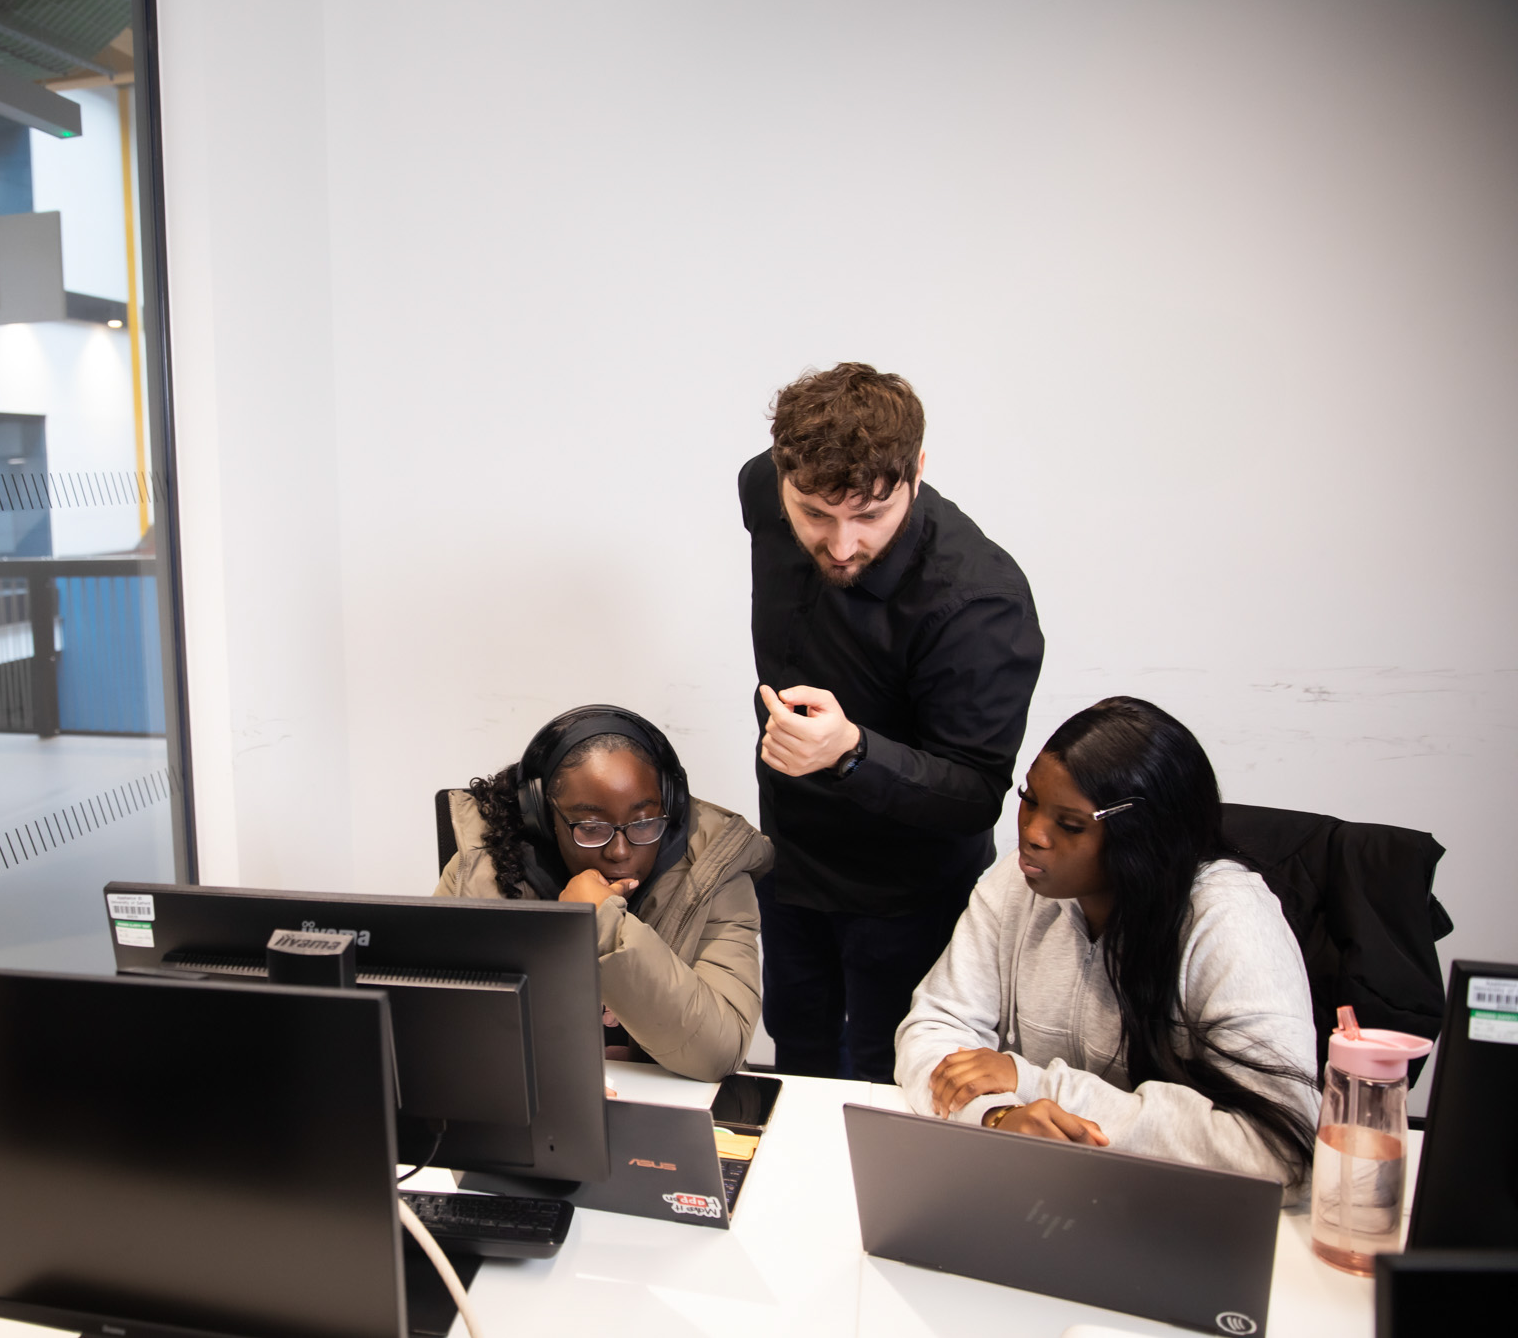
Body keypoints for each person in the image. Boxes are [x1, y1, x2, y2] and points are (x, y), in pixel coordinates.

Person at [741, 362, 1043, 1081]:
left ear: (917, 472)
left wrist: (850, 752)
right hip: (793, 863)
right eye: (814, 513)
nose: (840, 544)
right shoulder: (763, 485)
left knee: (890, 1079)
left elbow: (975, 792)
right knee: (796, 1061)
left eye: (869, 516)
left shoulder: (979, 601)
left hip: (908, 897)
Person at [894, 697, 1319, 1186]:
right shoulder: (1016, 882)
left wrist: (1034, 1084)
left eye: (1070, 824)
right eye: (1029, 800)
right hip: (1039, 1190)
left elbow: (1279, 1148)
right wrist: (997, 1117)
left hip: (1174, 1214)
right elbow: (931, 1028)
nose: (1032, 835)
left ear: (1144, 837)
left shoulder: (1229, 919)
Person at [436, 705, 772, 1082]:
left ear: (670, 807)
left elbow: (718, 1052)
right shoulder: (480, 870)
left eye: (645, 823)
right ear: (544, 818)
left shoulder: (715, 869)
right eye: (592, 827)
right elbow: (440, 1031)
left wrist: (603, 925)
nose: (621, 851)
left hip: (674, 1108)